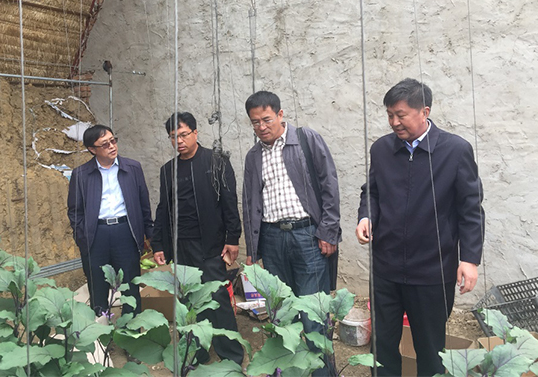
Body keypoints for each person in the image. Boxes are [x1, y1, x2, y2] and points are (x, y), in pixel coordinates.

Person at [355, 78, 484, 376]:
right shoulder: (382, 149)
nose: (394, 122)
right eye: (390, 115)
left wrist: (469, 259)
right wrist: (366, 216)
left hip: (432, 272)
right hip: (385, 268)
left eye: (401, 115)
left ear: (424, 111)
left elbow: (471, 209)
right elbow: (371, 192)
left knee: (430, 350)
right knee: (382, 349)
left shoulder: (455, 151)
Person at [243, 90, 341, 376]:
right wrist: (253, 249)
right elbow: (250, 203)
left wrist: (328, 231)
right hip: (272, 239)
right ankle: (288, 371)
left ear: (280, 114)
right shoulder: (253, 157)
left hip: (307, 236)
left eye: (267, 119)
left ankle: (322, 373)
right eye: (255, 122)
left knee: (313, 313)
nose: (262, 127)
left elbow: (329, 185)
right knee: (282, 313)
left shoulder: (306, 140)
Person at [151, 112, 244, 365]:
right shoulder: (168, 170)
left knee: (218, 299)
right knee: (188, 301)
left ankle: (231, 355)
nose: (179, 141)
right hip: (180, 246)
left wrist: (233, 237)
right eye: (173, 137)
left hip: (210, 245)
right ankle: (196, 353)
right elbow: (163, 208)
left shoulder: (216, 162)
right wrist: (158, 244)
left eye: (183, 135)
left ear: (195, 133)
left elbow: (229, 202)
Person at [67, 124, 153, 318]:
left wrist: (149, 235)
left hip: (125, 232)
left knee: (130, 287)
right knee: (97, 287)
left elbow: (144, 204)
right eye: (105, 144)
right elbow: (75, 211)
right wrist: (82, 236)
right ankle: (101, 330)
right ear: (92, 149)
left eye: (113, 141)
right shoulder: (81, 174)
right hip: (96, 235)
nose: (112, 146)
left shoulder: (132, 168)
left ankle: (131, 331)